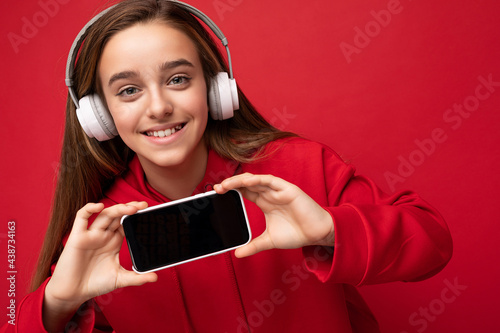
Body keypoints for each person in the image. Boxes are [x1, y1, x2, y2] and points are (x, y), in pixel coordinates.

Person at [2, 0, 453, 332]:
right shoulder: (99, 231)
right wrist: (59, 303)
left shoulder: (296, 167)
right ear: (98, 117)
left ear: (216, 90)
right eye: (128, 90)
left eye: (178, 79)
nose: (159, 106)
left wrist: (331, 230)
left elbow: (432, 242)